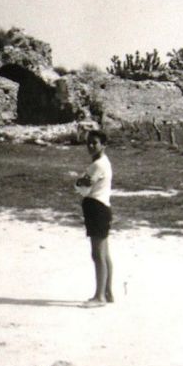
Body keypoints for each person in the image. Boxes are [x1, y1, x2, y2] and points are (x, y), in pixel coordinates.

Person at [74, 130, 114, 304]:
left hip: (96, 208)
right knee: (104, 254)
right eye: (88, 142)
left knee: (97, 255)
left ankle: (99, 296)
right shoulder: (103, 162)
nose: (90, 146)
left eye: (94, 143)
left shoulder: (97, 166)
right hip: (102, 207)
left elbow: (83, 187)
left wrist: (78, 182)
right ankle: (107, 292)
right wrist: (80, 182)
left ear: (103, 145)